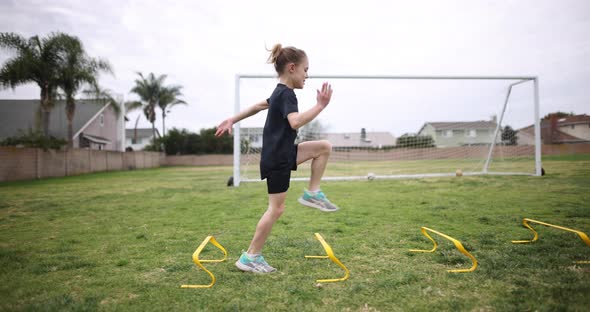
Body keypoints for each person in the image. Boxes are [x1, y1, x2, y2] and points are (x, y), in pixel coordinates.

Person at [215, 44, 340, 273]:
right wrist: (320, 105)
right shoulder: (287, 95)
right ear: (292, 68)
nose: (307, 75)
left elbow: (256, 106)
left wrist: (232, 119)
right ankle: (250, 257)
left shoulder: (279, 93)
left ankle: (312, 193)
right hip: (278, 159)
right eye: (305, 69)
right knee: (276, 209)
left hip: (284, 153)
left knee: (323, 147)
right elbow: (295, 122)